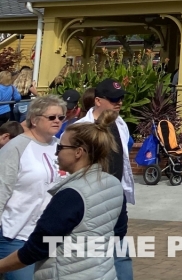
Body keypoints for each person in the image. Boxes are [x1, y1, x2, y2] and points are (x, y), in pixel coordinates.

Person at [0, 112, 123, 279]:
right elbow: (118, 232)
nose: (56, 153)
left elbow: (37, 248)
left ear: (78, 152)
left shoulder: (71, 194)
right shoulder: (113, 184)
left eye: (60, 147)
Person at [0, 95, 66, 280]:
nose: (57, 121)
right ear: (35, 120)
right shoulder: (16, 148)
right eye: (51, 117)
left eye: (61, 117)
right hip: (17, 234)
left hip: (50, 234)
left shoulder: (59, 146)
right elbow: (1, 189)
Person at [76, 79, 135, 280]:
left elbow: (123, 160)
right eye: (114, 99)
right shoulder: (80, 128)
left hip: (117, 197)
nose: (119, 102)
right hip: (92, 200)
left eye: (121, 98)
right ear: (98, 100)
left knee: (119, 250)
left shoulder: (120, 123)